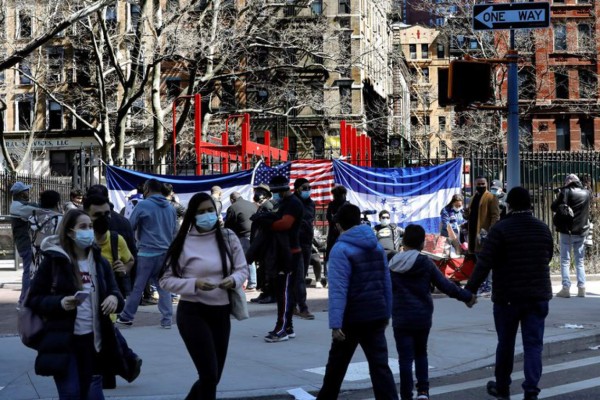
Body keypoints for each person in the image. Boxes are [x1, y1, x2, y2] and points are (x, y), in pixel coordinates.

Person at [464, 187, 553, 400]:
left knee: (506, 343)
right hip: (538, 295)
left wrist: (470, 290)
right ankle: (531, 390)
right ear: (530, 204)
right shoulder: (542, 228)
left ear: (509, 205)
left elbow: (484, 262)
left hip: (508, 297)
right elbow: (548, 256)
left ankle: (502, 387)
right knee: (533, 345)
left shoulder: (501, 229)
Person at [26, 209, 124, 399]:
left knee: (93, 393)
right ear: (70, 232)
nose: (88, 231)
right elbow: (34, 299)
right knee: (71, 392)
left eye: (90, 226)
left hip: (94, 341)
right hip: (63, 341)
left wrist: (113, 298)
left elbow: (116, 293)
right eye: (83, 227)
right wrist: (60, 302)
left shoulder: (100, 262)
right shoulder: (54, 262)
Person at [159, 192, 248, 400]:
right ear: (192, 215)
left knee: (213, 377)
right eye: (201, 212)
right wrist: (194, 284)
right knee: (208, 374)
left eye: (210, 210)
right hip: (192, 312)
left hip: (221, 312)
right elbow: (165, 280)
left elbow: (242, 269)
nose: (207, 215)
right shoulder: (183, 242)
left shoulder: (228, 237)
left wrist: (233, 280)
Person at [316, 203, 397, 400]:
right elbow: (386, 281)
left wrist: (335, 324)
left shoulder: (341, 249)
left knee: (336, 368)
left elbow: (338, 290)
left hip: (351, 318)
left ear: (339, 225)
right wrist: (387, 312)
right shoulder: (376, 245)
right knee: (380, 367)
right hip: (376, 314)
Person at [389, 224, 475, 400]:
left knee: (404, 359)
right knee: (421, 352)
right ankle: (423, 391)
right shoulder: (425, 263)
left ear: (403, 243)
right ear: (422, 244)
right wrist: (466, 297)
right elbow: (446, 286)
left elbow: (383, 290)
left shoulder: (392, 264)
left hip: (401, 316)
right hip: (422, 316)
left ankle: (406, 395)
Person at [117, 179, 178, 328]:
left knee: (138, 286)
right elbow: (175, 231)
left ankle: (127, 316)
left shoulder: (143, 205)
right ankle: (167, 320)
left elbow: (130, 225)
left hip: (147, 252)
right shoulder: (170, 208)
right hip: (165, 252)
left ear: (147, 189)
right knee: (163, 287)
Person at [83, 195, 134, 298]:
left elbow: (130, 260)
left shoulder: (116, 240)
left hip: (109, 300)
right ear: (87, 215)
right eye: (97, 214)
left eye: (107, 213)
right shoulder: (80, 241)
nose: (103, 218)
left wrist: (123, 269)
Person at [552, 173, 591, 298]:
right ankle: (582, 288)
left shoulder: (566, 192)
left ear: (568, 182)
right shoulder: (587, 193)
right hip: (582, 231)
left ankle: (566, 288)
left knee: (565, 261)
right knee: (580, 261)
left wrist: (559, 194)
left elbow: (554, 207)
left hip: (567, 231)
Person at [465, 177, 500, 295]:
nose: (480, 185)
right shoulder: (472, 198)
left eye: (483, 183)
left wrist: (491, 231)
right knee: (478, 261)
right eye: (478, 184)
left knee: (485, 261)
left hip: (485, 234)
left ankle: (488, 285)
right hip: (474, 235)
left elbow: (495, 215)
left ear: (487, 184)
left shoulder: (491, 197)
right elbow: (470, 215)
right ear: (474, 185)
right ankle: (483, 284)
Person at [10, 181, 38, 305]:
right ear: (21, 194)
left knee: (31, 270)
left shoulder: (18, 204)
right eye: (26, 191)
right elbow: (34, 208)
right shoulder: (18, 207)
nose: (28, 192)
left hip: (25, 243)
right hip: (25, 243)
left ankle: (27, 298)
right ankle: (24, 300)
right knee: (28, 271)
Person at [249, 183, 276, 304]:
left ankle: (270, 293)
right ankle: (264, 292)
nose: (256, 194)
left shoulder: (268, 206)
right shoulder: (262, 206)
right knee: (262, 269)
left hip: (266, 243)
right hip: (260, 243)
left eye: (259, 192)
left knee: (267, 270)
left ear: (265, 195)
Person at [224, 191, 257, 290]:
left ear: (232, 200)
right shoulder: (251, 205)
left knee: (246, 260)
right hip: (255, 235)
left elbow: (228, 225)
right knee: (251, 259)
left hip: (243, 236)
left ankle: (252, 283)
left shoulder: (233, 207)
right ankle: (252, 282)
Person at [292, 177, 315, 320]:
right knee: (299, 275)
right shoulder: (293, 203)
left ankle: (293, 304)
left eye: (309, 188)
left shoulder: (310, 203)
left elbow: (309, 219)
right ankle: (303, 307)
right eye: (304, 188)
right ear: (297, 189)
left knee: (302, 274)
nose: (307, 190)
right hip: (296, 242)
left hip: (307, 242)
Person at [29, 190, 63, 271]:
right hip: (55, 264)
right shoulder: (61, 219)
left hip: (36, 263)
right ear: (58, 203)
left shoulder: (32, 218)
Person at [324, 185, 349, 287]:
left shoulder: (347, 206)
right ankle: (328, 278)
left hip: (344, 234)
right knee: (329, 255)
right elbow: (330, 218)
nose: (336, 197)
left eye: (338, 195)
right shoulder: (331, 205)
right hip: (333, 234)